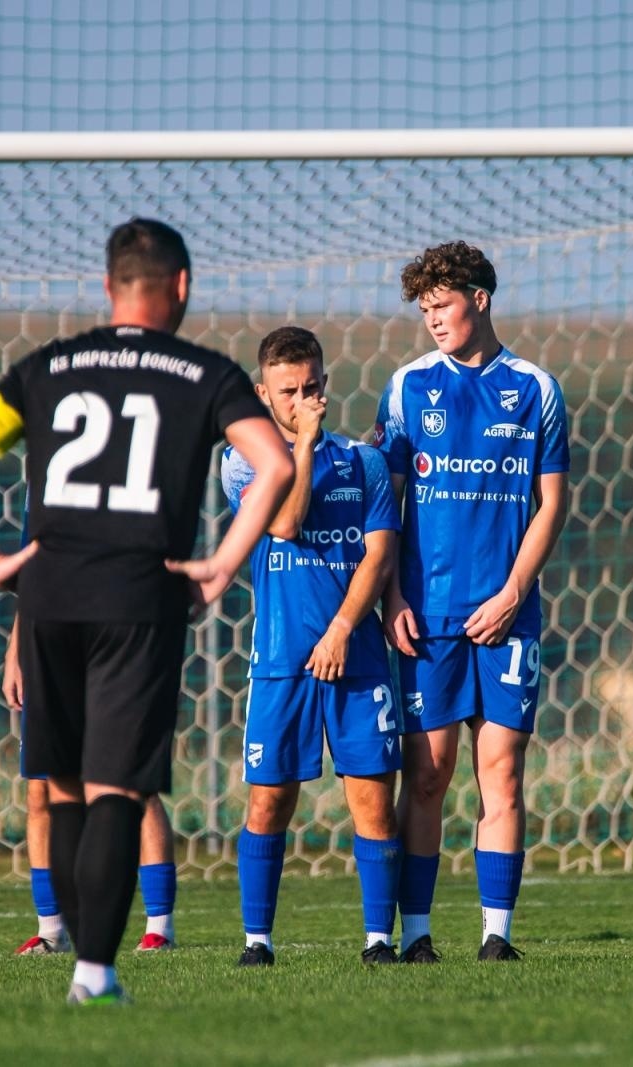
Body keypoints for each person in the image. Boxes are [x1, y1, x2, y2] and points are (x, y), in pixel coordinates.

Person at [0, 218, 291, 1005]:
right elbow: (273, 463)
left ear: (108, 287)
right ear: (183, 287)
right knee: (117, 793)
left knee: (62, 789)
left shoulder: (46, 368)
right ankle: (95, 973)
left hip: (49, 598)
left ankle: (75, 952)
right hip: (137, 600)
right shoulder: (203, 373)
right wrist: (223, 566)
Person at [372, 241, 570, 963]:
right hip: (428, 615)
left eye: (443, 305)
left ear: (479, 299)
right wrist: (391, 593)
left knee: (503, 771)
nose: (433, 320)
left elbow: (551, 503)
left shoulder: (537, 389)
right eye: (424, 310)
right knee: (428, 772)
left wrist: (516, 589)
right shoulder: (407, 388)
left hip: (508, 614)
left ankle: (497, 935)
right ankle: (417, 933)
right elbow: (382, 503)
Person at [221, 326, 403, 967]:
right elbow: (285, 523)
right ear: (262, 393)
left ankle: (381, 941)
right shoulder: (244, 463)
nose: (304, 400)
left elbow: (379, 555)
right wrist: (299, 445)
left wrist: (343, 629)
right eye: (289, 391)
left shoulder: (365, 463)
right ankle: (257, 942)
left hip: (356, 658)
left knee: (372, 797)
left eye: (313, 387)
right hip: (280, 661)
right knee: (270, 798)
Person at [1, 512, 180, 956]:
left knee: (131, 784)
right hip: (49, 649)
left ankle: (159, 925)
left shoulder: (134, 478)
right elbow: (33, 577)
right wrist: (15, 650)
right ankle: (51, 929)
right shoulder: (45, 486)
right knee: (41, 789)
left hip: (118, 647)